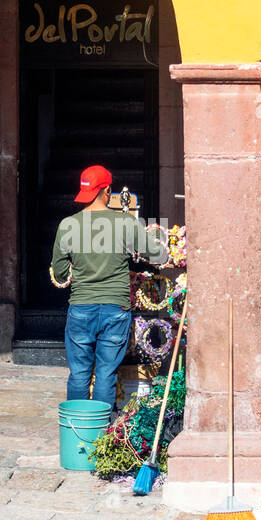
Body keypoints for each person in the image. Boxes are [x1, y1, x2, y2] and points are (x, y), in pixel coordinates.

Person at [50, 165, 168, 410]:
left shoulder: (67, 225)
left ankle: (78, 428)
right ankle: (101, 435)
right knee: (106, 374)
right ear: (107, 192)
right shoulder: (125, 223)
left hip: (81, 308)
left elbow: (60, 272)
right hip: (116, 308)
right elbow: (158, 255)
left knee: (79, 374)